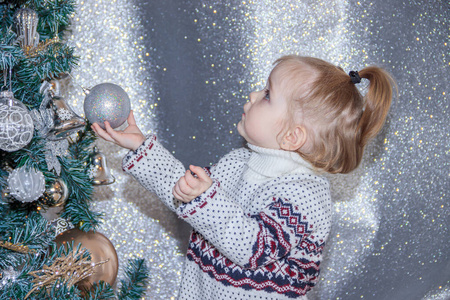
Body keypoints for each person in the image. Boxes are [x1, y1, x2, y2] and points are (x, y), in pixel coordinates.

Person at [92, 55, 394, 299]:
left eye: (267, 94)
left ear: (292, 136)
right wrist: (142, 146)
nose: (253, 94)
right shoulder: (237, 162)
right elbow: (186, 195)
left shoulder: (305, 197)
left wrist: (203, 198)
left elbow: (253, 247)